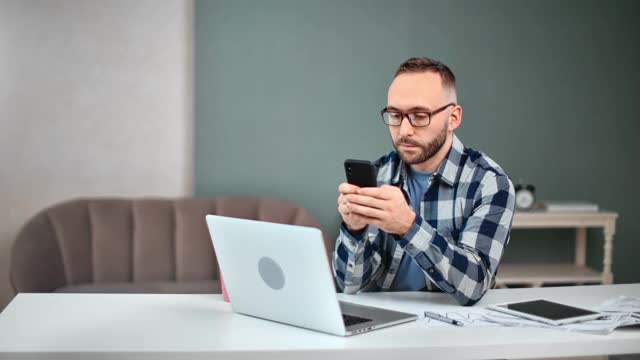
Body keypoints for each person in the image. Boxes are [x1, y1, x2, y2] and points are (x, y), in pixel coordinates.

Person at [333, 57, 515, 306]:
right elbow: (347, 286)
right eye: (395, 115)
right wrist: (354, 231)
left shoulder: (489, 183)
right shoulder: (379, 176)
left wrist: (407, 226)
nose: (404, 130)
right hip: (384, 328)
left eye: (419, 116)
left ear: (453, 117)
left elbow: (474, 284)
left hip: (456, 327)